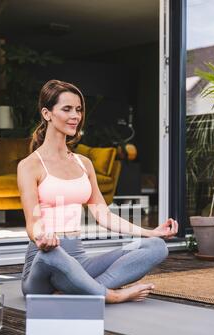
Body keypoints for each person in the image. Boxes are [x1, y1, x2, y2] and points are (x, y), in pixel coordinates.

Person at [17, 79, 178, 304]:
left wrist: (151, 232)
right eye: (67, 109)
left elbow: (103, 215)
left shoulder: (84, 163)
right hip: (44, 265)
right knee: (54, 254)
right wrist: (41, 237)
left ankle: (78, 291)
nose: (76, 115)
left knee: (156, 247)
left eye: (79, 109)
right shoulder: (30, 165)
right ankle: (110, 295)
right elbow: (32, 221)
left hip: (80, 263)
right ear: (47, 113)